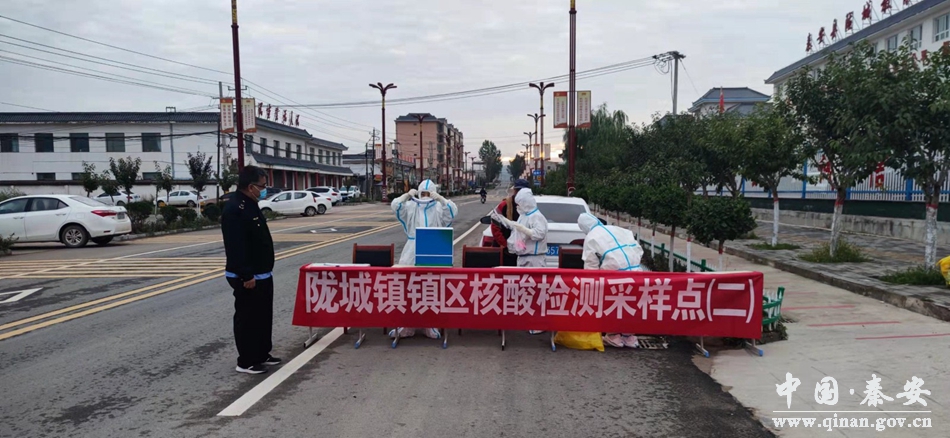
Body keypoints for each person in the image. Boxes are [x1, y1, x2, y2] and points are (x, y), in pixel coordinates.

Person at [221, 165, 280, 374]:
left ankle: (262, 353)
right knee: (248, 318)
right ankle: (246, 361)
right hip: (247, 276)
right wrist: (246, 274)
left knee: (263, 316)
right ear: (250, 186)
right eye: (262, 186)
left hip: (262, 273)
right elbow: (236, 246)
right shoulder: (235, 209)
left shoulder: (251, 204)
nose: (264, 190)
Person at [390, 179, 458, 339]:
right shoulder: (411, 206)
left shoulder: (438, 208)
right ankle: (407, 325)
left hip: (432, 249)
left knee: (431, 288)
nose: (426, 196)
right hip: (411, 251)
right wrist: (407, 195)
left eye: (429, 193)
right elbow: (396, 205)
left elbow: (452, 211)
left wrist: (441, 199)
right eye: (423, 193)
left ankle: (430, 324)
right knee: (409, 288)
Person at [577, 212, 644, 349]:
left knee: (614, 304)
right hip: (636, 273)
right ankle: (629, 337)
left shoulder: (591, 237)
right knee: (630, 304)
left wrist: (590, 284)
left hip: (614, 277)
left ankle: (614, 336)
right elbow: (637, 247)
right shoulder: (618, 229)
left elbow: (591, 266)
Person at [489, 179, 530, 266]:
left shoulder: (531, 207)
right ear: (514, 190)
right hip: (505, 251)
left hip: (524, 251)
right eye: (518, 190)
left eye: (522, 191)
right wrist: (505, 245)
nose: (519, 193)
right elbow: (495, 227)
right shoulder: (504, 205)